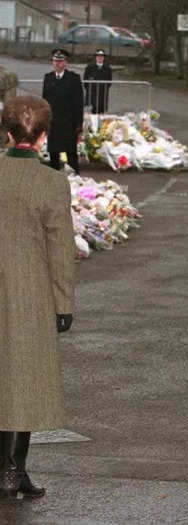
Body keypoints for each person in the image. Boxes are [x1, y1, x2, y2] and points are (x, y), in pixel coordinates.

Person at [0, 95, 76, 500]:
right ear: (43, 136)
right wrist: (63, 304)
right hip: (29, 293)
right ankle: (13, 473)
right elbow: (60, 248)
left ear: (6, 131)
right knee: (23, 379)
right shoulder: (51, 182)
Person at [42, 48, 84, 174]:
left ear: (66, 63)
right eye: (55, 61)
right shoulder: (48, 78)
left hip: (68, 123)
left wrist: (79, 124)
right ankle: (53, 180)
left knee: (70, 153)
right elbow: (45, 101)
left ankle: (75, 178)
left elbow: (78, 103)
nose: (57, 64)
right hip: (53, 123)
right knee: (53, 153)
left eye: (60, 61)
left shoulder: (73, 78)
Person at [83, 49, 112, 114]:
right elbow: (85, 81)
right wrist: (90, 89)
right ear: (95, 57)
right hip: (92, 95)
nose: (100, 57)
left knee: (101, 113)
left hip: (102, 95)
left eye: (101, 56)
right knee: (91, 113)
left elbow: (109, 82)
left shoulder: (108, 68)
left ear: (104, 58)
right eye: (98, 56)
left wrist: (103, 88)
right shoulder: (89, 67)